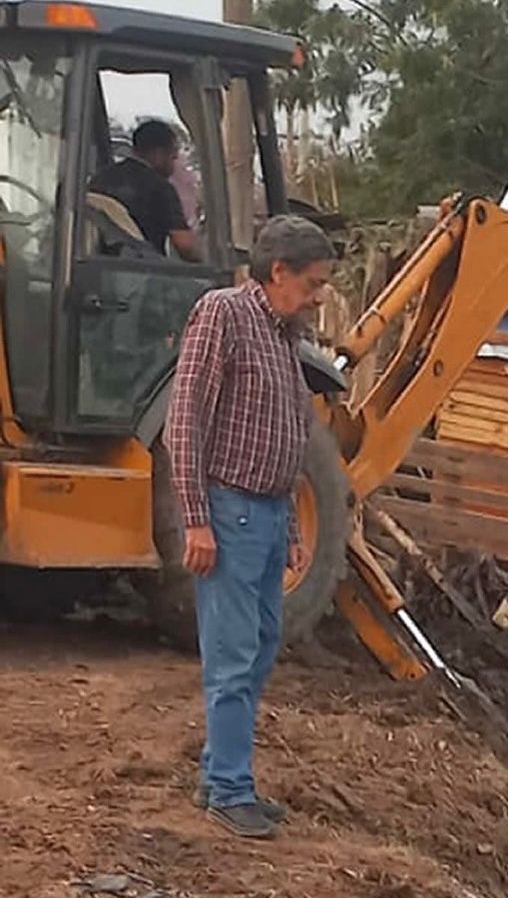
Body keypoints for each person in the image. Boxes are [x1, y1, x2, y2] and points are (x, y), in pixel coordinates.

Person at [163, 215, 333, 839]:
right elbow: (185, 422)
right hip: (229, 513)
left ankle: (218, 774)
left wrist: (289, 525)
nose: (318, 297)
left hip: (266, 514)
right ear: (278, 272)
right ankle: (232, 790)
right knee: (233, 657)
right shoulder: (223, 315)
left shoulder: (284, 336)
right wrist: (196, 520)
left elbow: (287, 434)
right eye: (312, 283)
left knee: (259, 648)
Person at [91, 119, 201, 261]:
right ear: (158, 153)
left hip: (99, 264)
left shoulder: (100, 178)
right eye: (173, 154)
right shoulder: (160, 188)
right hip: (142, 272)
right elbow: (185, 246)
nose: (174, 159)